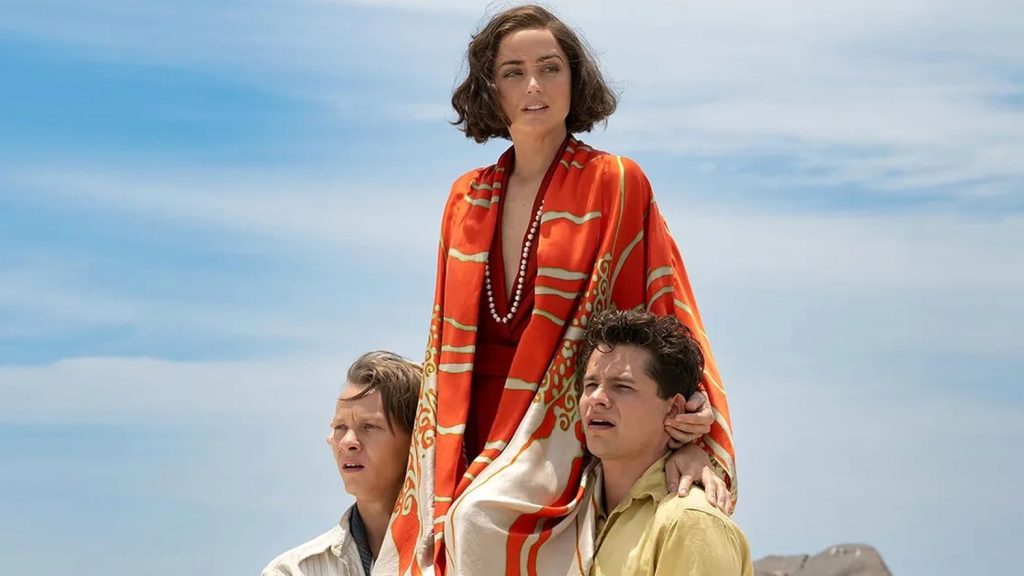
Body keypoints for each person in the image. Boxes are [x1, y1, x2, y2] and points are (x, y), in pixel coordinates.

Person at [377, 5, 737, 575]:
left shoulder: (614, 181)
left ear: (575, 79)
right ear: (490, 90)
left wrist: (687, 434)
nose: (534, 86)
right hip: (466, 419)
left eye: (550, 68)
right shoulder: (465, 198)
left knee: (478, 518)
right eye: (513, 72)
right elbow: (442, 345)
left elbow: (662, 313)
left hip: (562, 418)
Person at [580, 308, 752, 576]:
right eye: (590, 385)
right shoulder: (568, 514)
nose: (596, 398)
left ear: (673, 409)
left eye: (622, 386)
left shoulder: (688, 521)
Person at [262, 351, 420, 576]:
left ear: (417, 440)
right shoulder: (294, 570)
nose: (347, 443)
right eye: (340, 427)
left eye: (370, 426)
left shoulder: (456, 554)